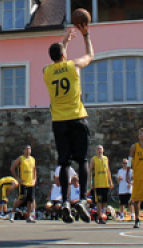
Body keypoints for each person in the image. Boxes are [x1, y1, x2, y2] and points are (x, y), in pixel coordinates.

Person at [42, 24, 94, 223]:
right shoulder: (73, 66)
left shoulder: (46, 71)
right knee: (82, 161)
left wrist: (64, 42)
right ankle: (81, 199)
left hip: (59, 121)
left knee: (63, 162)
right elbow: (90, 55)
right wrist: (85, 35)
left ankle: (64, 201)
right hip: (77, 117)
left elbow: (57, 60)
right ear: (64, 55)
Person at [10, 144, 38, 223]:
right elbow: (12, 168)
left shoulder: (33, 159)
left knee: (30, 200)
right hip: (23, 183)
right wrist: (17, 178)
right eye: (27, 149)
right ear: (24, 150)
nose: (28, 150)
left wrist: (34, 179)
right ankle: (12, 213)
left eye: (30, 149)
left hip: (31, 183)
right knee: (22, 199)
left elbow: (34, 170)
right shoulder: (20, 159)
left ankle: (29, 216)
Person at [89, 145, 113, 224]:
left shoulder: (106, 159)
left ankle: (96, 213)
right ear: (96, 151)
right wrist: (91, 182)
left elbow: (108, 170)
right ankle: (100, 217)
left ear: (103, 150)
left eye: (100, 149)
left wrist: (111, 181)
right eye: (98, 149)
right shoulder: (94, 159)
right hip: (97, 183)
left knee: (104, 202)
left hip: (105, 183)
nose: (99, 150)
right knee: (99, 201)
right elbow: (90, 172)